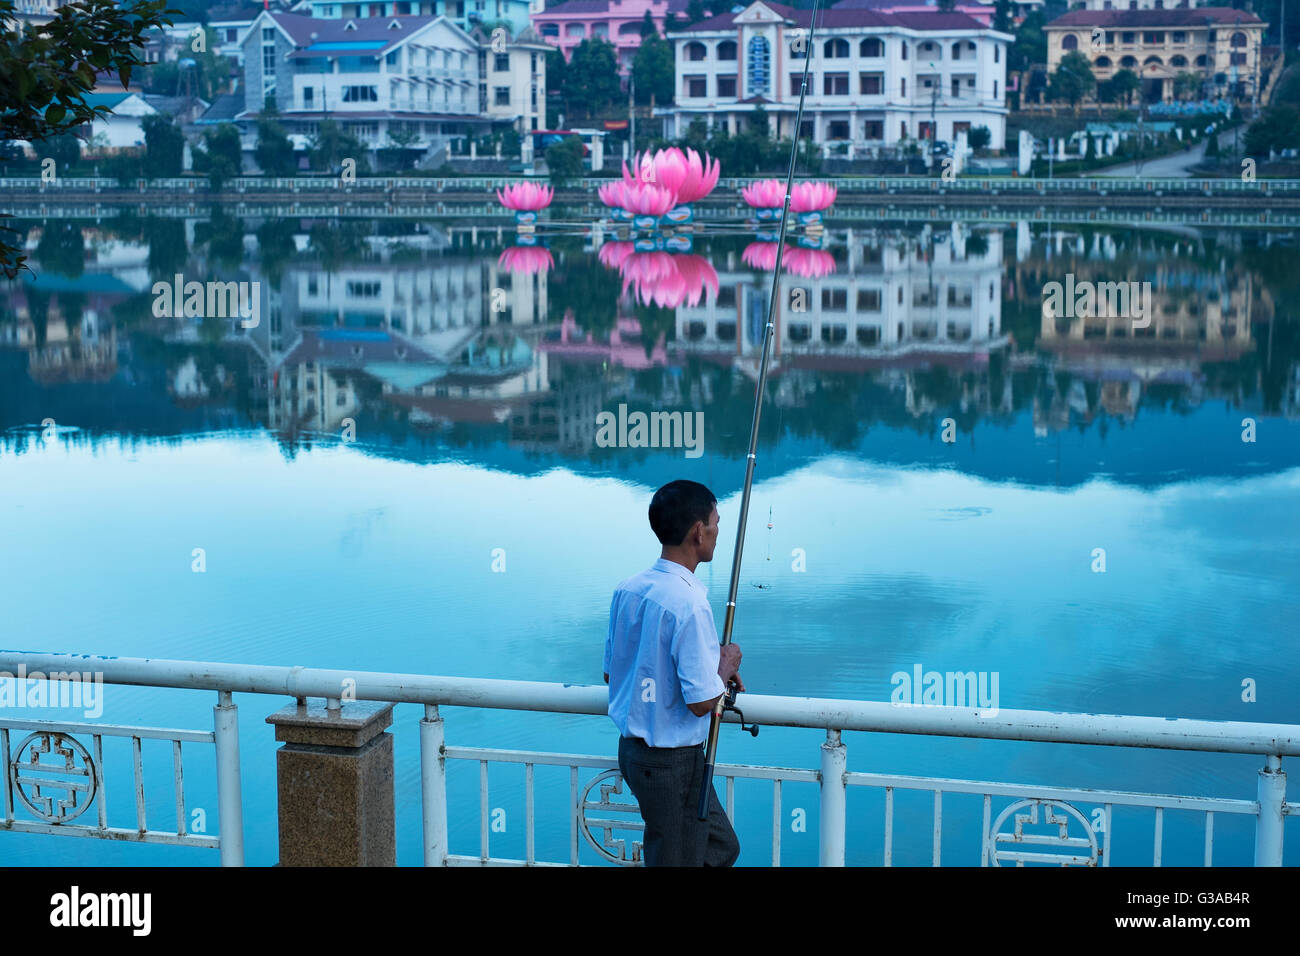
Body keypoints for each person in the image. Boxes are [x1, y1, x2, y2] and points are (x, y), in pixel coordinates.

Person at [603, 479, 743, 867]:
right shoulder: (690, 602)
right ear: (699, 531)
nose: (717, 531)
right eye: (716, 522)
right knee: (678, 858)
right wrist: (724, 665)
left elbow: (614, 677)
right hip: (671, 761)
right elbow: (701, 702)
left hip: (636, 754)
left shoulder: (628, 590)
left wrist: (705, 661)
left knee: (718, 846)